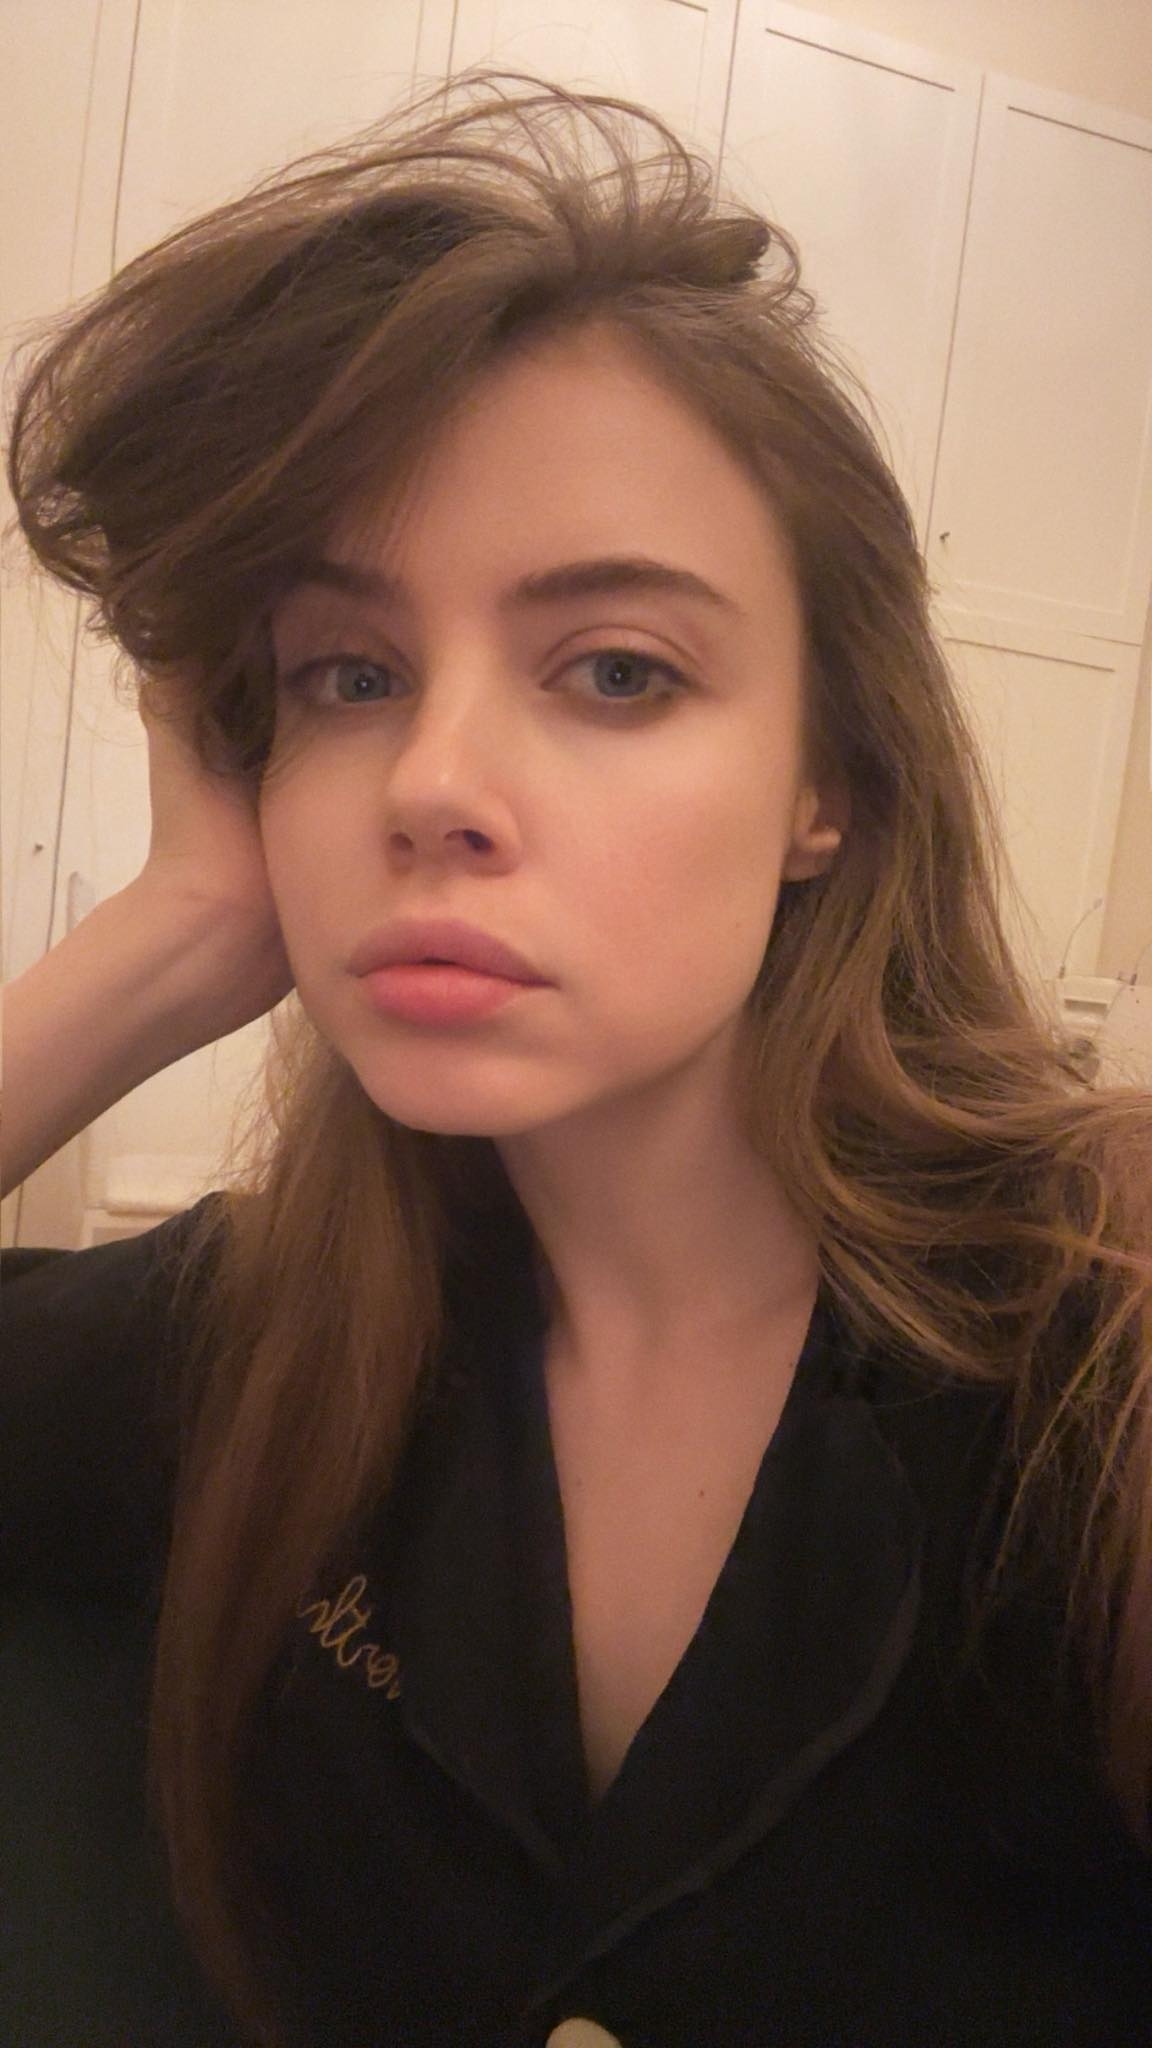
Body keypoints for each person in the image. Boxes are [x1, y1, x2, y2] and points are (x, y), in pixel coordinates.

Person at [3, 66, 1151, 2048]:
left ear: (826, 785)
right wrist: (171, 935)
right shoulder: (265, 1343)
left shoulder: (1102, 1337)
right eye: (348, 675)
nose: (429, 782)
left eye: (616, 670)